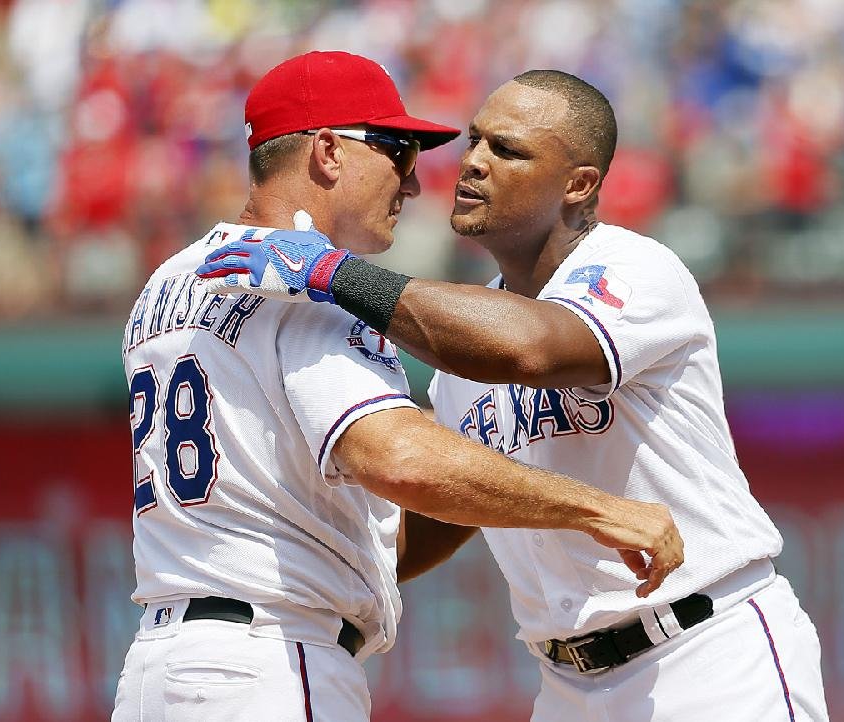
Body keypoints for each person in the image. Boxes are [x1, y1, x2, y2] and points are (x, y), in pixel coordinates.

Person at [199, 69, 830, 721]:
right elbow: (445, 514)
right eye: (474, 141)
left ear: (578, 184)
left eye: (507, 150)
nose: (472, 161)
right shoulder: (460, 338)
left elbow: (530, 348)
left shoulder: (636, 268)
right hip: (567, 685)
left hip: (707, 652)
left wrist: (334, 272)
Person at [114, 52, 684, 722]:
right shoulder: (312, 289)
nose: (413, 182)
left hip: (160, 669)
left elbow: (379, 527)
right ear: (328, 151)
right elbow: (399, 459)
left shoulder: (168, 281)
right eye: (398, 150)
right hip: (267, 664)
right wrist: (598, 509)